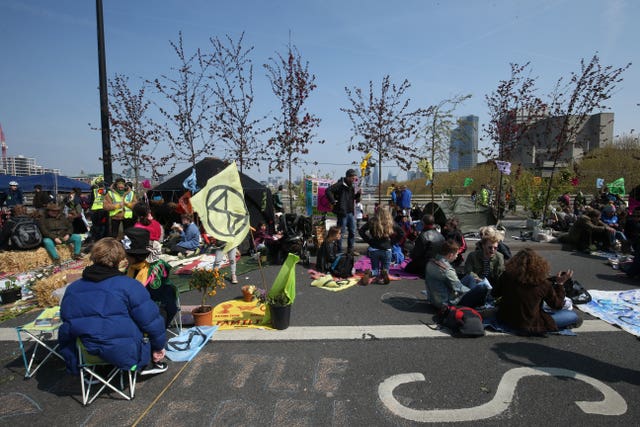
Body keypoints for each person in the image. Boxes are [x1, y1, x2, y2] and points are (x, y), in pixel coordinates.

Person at [58, 237, 168, 376]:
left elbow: (66, 321)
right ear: (120, 259)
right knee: (156, 314)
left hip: (87, 354)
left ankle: (99, 370)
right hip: (125, 353)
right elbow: (151, 322)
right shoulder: (129, 285)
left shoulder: (73, 289)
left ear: (93, 257)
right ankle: (149, 364)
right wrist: (158, 347)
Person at [492, 248, 581, 335]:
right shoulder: (543, 284)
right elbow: (557, 305)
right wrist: (560, 284)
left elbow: (495, 293)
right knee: (572, 316)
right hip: (530, 325)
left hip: (506, 320)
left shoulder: (506, 276)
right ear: (538, 265)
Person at [124, 227, 178, 329]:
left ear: (133, 255)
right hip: (138, 308)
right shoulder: (130, 267)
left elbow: (153, 299)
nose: (124, 257)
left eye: (126, 254)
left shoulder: (156, 268)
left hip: (159, 308)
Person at [425, 240, 491, 309]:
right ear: (451, 255)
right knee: (482, 288)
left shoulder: (430, 262)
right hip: (445, 303)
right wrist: (473, 292)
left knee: (470, 277)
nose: (457, 256)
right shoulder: (447, 270)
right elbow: (459, 288)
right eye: (456, 254)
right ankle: (481, 305)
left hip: (432, 299)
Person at [359, 206, 404, 284]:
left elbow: (361, 231)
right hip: (386, 249)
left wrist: (369, 241)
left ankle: (370, 273)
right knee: (385, 269)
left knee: (375, 270)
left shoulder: (372, 221)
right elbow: (401, 233)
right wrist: (392, 242)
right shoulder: (390, 222)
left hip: (374, 249)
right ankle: (384, 274)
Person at [325, 169, 361, 255]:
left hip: (351, 212)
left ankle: (350, 250)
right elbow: (328, 190)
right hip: (342, 212)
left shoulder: (352, 186)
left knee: (352, 231)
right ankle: (339, 250)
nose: (354, 180)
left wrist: (359, 194)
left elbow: (354, 198)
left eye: (355, 178)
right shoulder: (340, 184)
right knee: (341, 232)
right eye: (352, 178)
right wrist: (333, 201)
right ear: (348, 177)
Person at [87, 176, 110, 242]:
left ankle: (97, 239)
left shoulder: (94, 190)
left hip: (95, 211)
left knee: (97, 227)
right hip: (102, 211)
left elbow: (91, 201)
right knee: (102, 227)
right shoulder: (104, 190)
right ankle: (101, 239)